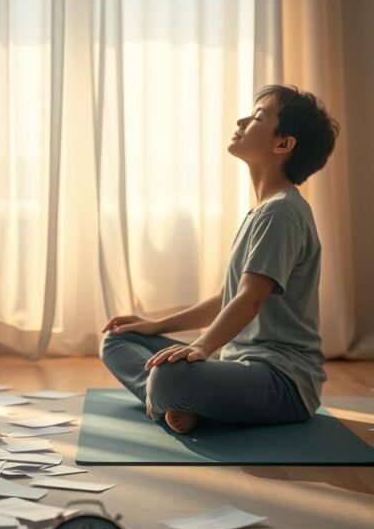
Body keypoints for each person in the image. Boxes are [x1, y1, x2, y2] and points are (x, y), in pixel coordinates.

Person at [99, 84, 340, 434]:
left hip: (282, 382)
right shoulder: (262, 212)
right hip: (236, 365)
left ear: (283, 144)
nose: (242, 120)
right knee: (119, 338)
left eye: (257, 116)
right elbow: (228, 297)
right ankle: (185, 401)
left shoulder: (282, 213)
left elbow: (249, 299)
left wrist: (200, 347)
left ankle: (178, 397)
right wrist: (153, 325)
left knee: (169, 378)